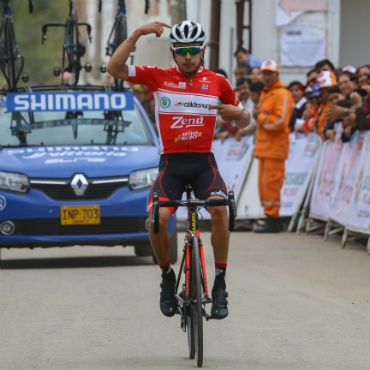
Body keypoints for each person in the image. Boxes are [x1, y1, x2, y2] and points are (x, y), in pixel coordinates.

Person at [107, 20, 250, 319]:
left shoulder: (218, 81)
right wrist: (137, 34)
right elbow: (114, 68)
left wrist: (240, 113)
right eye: (182, 51)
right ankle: (166, 277)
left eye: (193, 51)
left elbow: (245, 121)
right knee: (158, 218)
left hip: (203, 164)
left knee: (221, 209)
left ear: (202, 52)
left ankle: (221, 282)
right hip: (171, 165)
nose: (188, 56)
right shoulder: (159, 77)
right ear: (173, 52)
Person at [252, 60, 294, 233]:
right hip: (263, 149)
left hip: (275, 149)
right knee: (264, 186)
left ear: (277, 75)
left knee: (271, 184)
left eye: (270, 73)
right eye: (265, 73)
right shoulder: (266, 93)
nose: (267, 76)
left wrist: (260, 118)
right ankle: (270, 217)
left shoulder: (282, 94)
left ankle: (273, 219)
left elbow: (280, 121)